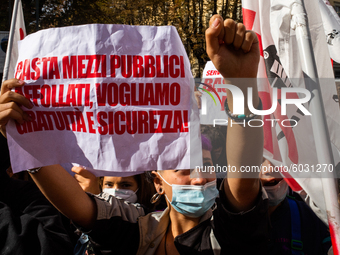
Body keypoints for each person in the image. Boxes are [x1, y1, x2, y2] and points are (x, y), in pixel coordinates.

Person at [0, 15, 267, 254]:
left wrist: (241, 84)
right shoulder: (136, 230)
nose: (199, 178)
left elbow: (243, 180)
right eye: (184, 168)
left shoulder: (225, 236)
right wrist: (25, 139)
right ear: (158, 182)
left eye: (207, 165)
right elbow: (76, 207)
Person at [260, 158, 332, 254]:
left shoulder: (311, 217)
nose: (269, 169)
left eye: (275, 158)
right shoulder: (235, 221)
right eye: (261, 158)